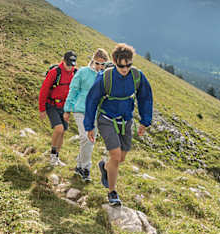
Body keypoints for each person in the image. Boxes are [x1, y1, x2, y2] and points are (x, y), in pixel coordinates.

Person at [84, 43, 153, 207]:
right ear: (115, 61)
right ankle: (112, 192)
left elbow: (145, 98)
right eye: (122, 65)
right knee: (115, 155)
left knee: (121, 158)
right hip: (106, 119)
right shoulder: (105, 77)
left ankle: (105, 167)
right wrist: (89, 125)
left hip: (126, 120)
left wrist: (145, 121)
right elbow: (92, 100)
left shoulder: (137, 76)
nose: (125, 68)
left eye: (128, 65)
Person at [63, 48, 112, 182]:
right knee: (86, 138)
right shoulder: (83, 72)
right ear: (92, 60)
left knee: (89, 141)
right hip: (80, 110)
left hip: (96, 113)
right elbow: (73, 90)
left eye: (103, 64)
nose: (100, 67)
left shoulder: (105, 76)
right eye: (97, 63)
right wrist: (67, 109)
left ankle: (79, 166)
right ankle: (85, 168)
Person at [39, 50, 77, 166]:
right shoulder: (55, 72)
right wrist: (42, 109)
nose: (70, 67)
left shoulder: (75, 73)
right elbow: (44, 91)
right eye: (68, 64)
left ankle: (56, 158)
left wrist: (69, 110)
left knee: (63, 132)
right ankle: (52, 155)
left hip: (65, 107)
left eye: (72, 65)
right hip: (52, 105)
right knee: (59, 129)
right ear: (63, 61)